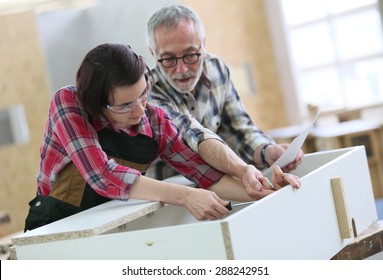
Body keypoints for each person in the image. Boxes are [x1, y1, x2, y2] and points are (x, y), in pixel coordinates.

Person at [24, 43, 300, 232]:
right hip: (56, 224)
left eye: (143, 95)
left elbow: (208, 175)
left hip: (111, 222)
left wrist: (265, 192)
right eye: (124, 105)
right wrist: (186, 196)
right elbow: (101, 175)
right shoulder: (68, 102)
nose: (140, 110)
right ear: (96, 102)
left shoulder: (155, 120)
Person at [146, 4, 304, 186]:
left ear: (203, 45)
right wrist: (242, 170)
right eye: (168, 59)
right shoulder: (148, 92)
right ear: (153, 54)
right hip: (168, 196)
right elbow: (194, 137)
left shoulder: (217, 69)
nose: (181, 69)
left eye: (190, 55)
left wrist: (267, 151)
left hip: (222, 183)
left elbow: (239, 129)